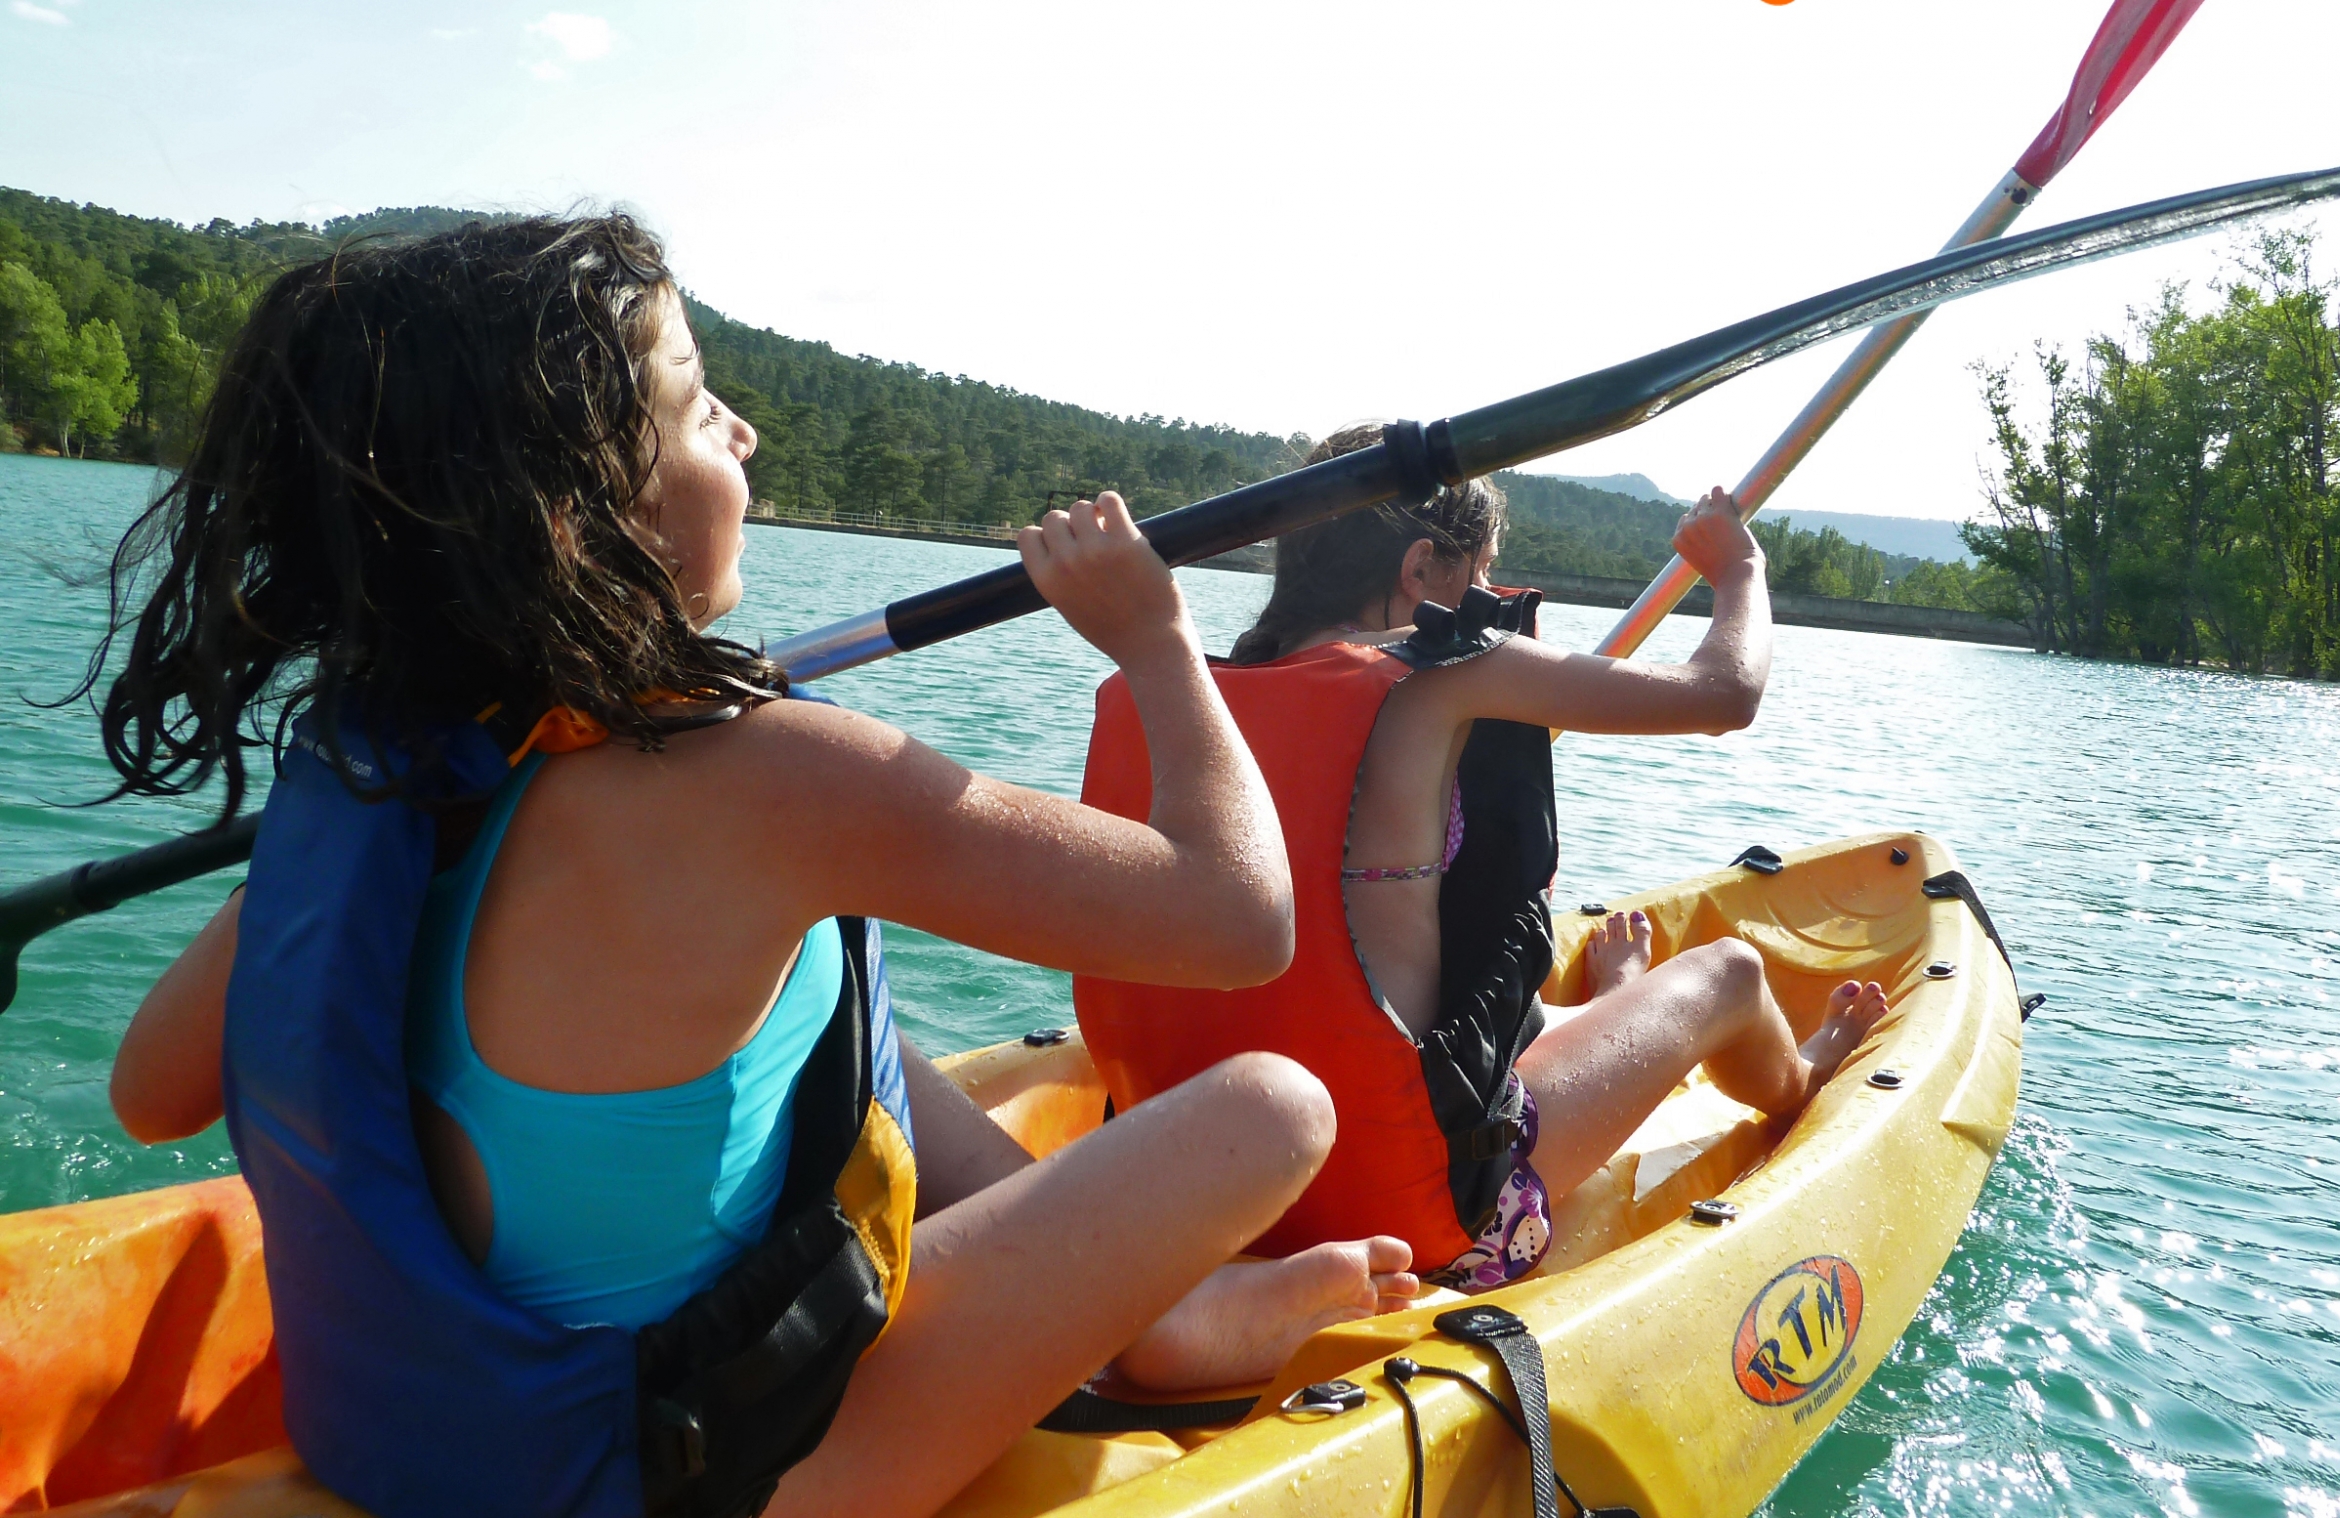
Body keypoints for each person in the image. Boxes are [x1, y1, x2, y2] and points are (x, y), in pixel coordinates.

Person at [98, 219, 1415, 1518]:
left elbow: (153, 1088)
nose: (744, 433)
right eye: (699, 403)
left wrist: (317, 879)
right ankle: (1150, 1321)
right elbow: (1239, 916)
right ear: (577, 518)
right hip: (684, 1476)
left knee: (824, 996)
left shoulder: (366, 781)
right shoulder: (772, 781)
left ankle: (1165, 1307)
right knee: (1271, 1109)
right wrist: (1157, 643)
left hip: (413, 1450)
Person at [1074, 424, 1885, 1294]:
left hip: (1183, 1183)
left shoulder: (1161, 693)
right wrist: (1739, 572)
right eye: (1482, 572)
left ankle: (1607, 1006)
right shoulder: (1451, 672)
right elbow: (1727, 691)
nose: (1488, 597)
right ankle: (1801, 1076)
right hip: (1405, 1208)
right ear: (1420, 570)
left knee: (1461, 980)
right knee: (1729, 974)